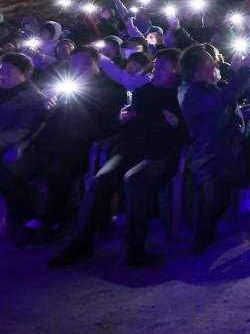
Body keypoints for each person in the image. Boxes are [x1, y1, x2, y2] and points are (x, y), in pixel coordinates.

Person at [48, 49, 188, 268]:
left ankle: (135, 248)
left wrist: (177, 125)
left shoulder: (181, 95)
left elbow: (190, 134)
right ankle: (82, 243)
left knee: (135, 179)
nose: (155, 70)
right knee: (101, 179)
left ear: (176, 69)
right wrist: (121, 120)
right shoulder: (143, 92)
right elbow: (121, 126)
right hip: (130, 149)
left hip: (161, 153)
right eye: (155, 65)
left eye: (161, 66)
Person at [0, 46, 127, 245]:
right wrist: (48, 109)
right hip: (50, 147)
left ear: (96, 63)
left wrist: (78, 109)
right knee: (9, 172)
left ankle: (54, 221)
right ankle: (27, 220)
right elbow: (50, 121)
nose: (78, 68)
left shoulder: (112, 89)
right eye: (74, 64)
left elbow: (105, 124)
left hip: (81, 148)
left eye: (84, 64)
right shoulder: (68, 86)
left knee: (57, 173)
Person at [179, 44, 250, 253]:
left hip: (237, 157)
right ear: (197, 69)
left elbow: (243, 127)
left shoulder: (217, 88)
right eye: (210, 60)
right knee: (216, 200)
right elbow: (223, 99)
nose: (216, 63)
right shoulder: (190, 93)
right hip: (212, 160)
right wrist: (245, 70)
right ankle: (203, 234)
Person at [0, 53, 47, 152]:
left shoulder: (35, 98)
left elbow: (21, 132)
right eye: (1, 71)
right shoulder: (4, 87)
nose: (2, 76)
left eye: (8, 72)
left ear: (26, 75)